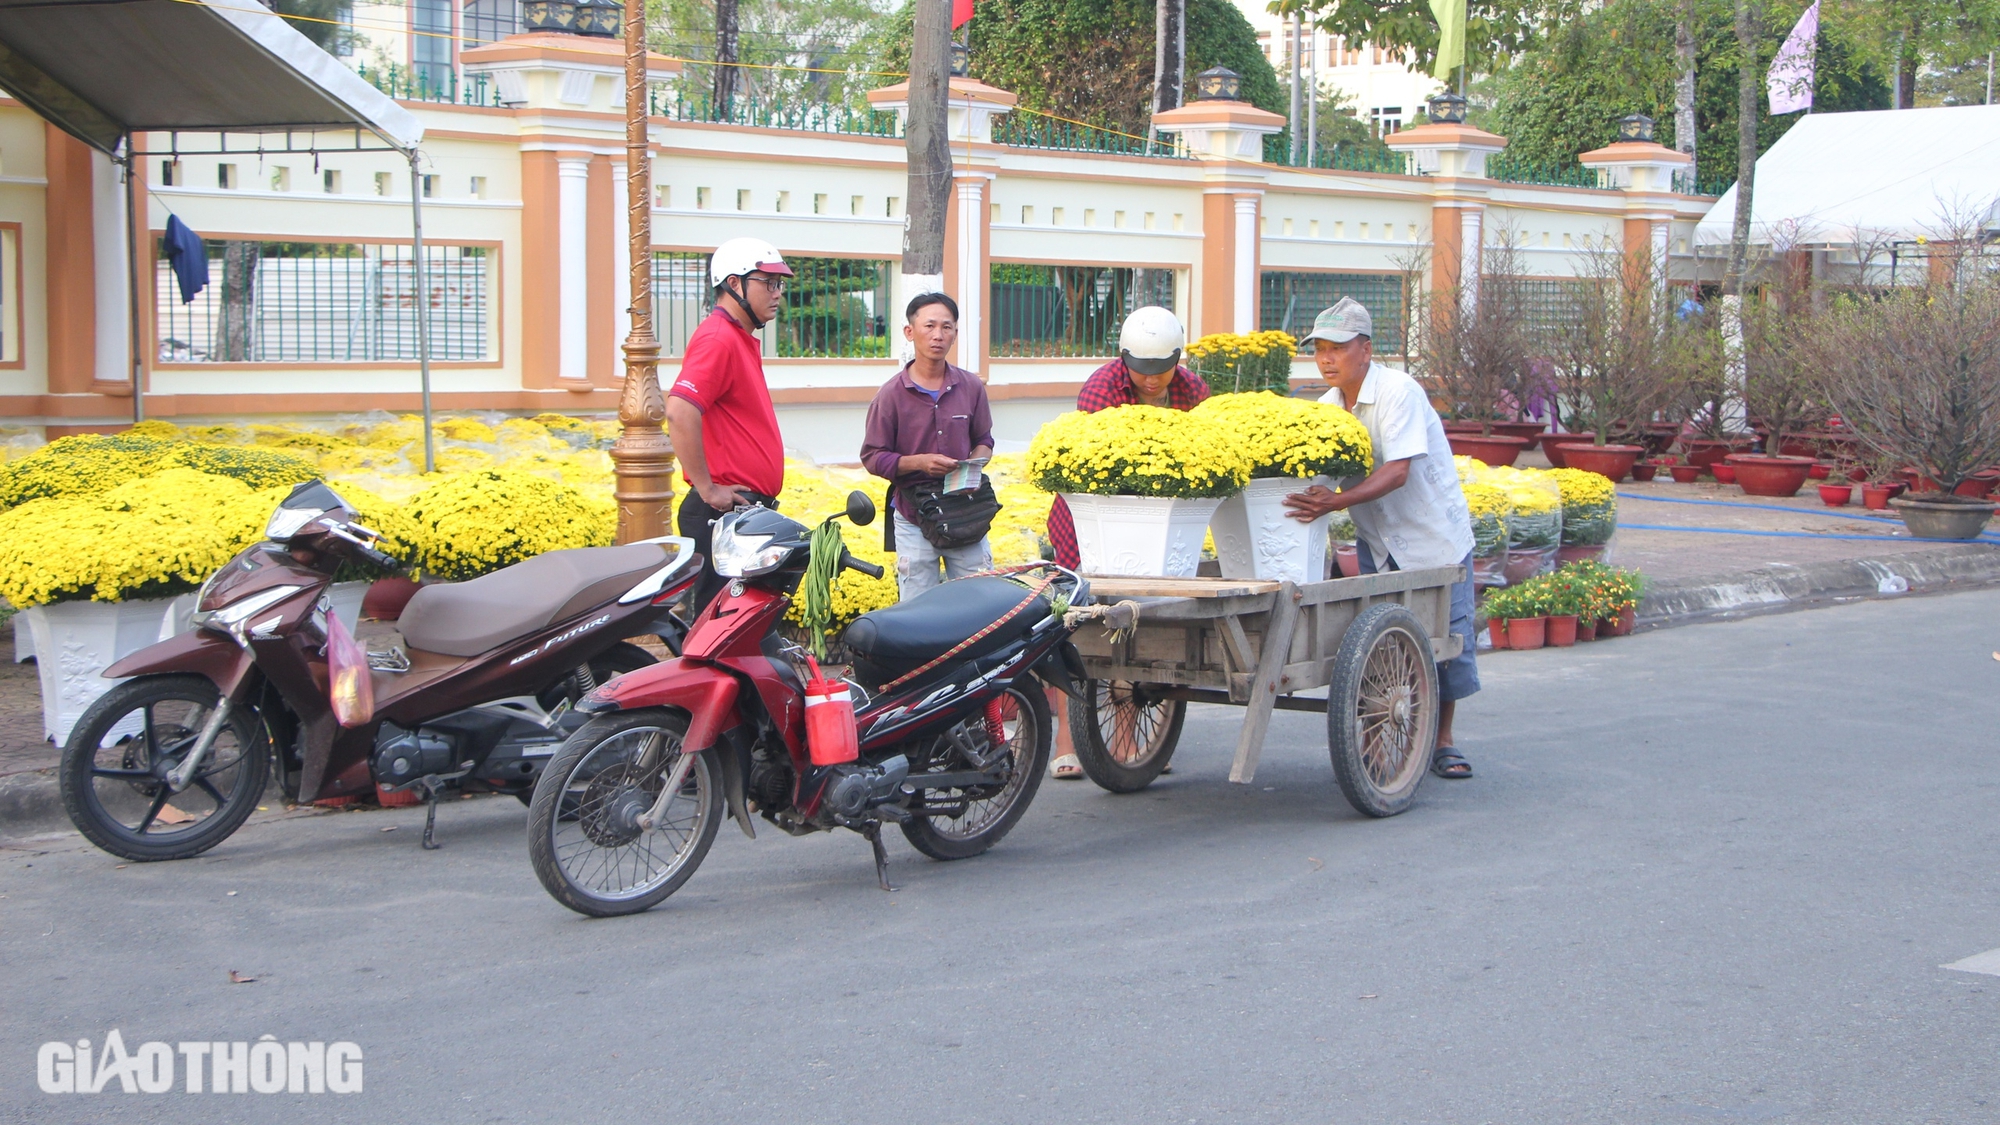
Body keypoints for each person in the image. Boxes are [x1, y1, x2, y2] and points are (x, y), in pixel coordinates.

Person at [1281, 297, 1481, 779]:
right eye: (1320, 349)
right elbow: (1318, 481)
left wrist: (1333, 504)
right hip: (1380, 545)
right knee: (1378, 647)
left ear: (1365, 350)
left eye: (1338, 348)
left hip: (1432, 539)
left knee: (1443, 642)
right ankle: (1373, 744)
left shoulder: (1398, 392)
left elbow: (1397, 472)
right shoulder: (1327, 409)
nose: (1327, 359)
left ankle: (1443, 741)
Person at [1045, 305, 1209, 780]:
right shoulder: (1101, 388)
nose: (1153, 381)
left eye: (1163, 370)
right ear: (1123, 358)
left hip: (1160, 522)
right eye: (1142, 370)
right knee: (1077, 624)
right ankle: (1067, 739)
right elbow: (1097, 466)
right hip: (1092, 519)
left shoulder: (1194, 391)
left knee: (1138, 622)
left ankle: (1127, 740)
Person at [665, 237, 792, 612]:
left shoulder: (737, 336)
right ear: (734, 284)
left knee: (740, 630)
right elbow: (679, 410)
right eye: (767, 283)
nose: (777, 293)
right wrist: (707, 488)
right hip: (722, 512)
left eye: (779, 284)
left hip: (739, 510)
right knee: (719, 632)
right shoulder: (720, 336)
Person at [859, 292, 996, 598]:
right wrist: (919, 463)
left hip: (965, 511)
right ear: (910, 332)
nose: (938, 335)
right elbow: (872, 457)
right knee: (917, 610)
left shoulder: (971, 387)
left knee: (982, 603)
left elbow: (984, 440)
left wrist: (973, 465)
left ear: (955, 334)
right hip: (913, 515)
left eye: (946, 327)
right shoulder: (891, 395)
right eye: (929, 326)